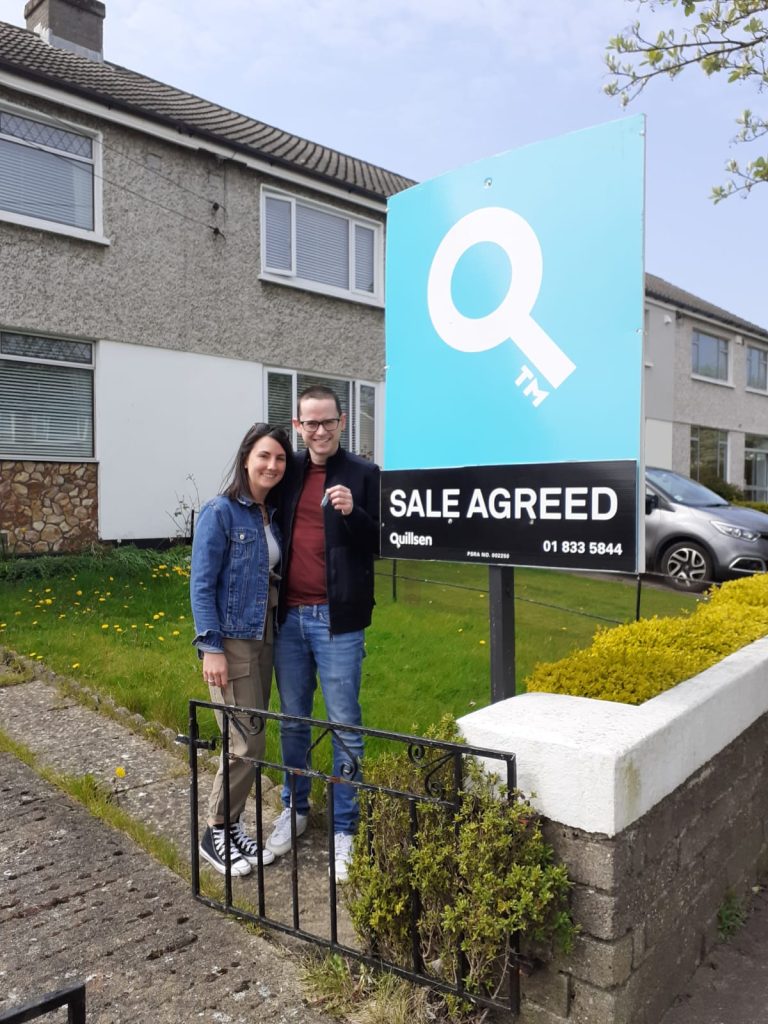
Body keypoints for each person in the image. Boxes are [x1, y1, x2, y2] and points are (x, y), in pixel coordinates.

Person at [267, 385, 380, 880]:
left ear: (341, 422)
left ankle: (345, 828)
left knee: (344, 725)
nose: (319, 431)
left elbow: (382, 540)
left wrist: (353, 511)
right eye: (309, 423)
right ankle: (295, 807)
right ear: (297, 425)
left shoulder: (363, 473)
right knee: (293, 721)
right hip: (289, 619)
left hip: (339, 622)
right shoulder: (287, 473)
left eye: (328, 422)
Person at [190, 422, 292, 877]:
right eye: (264, 456)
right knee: (244, 740)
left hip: (264, 636)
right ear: (246, 458)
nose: (272, 465)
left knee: (252, 736)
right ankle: (215, 832)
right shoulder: (221, 511)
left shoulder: (268, 515)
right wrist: (211, 647)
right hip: (231, 641)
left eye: (280, 459)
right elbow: (201, 584)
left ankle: (230, 827)